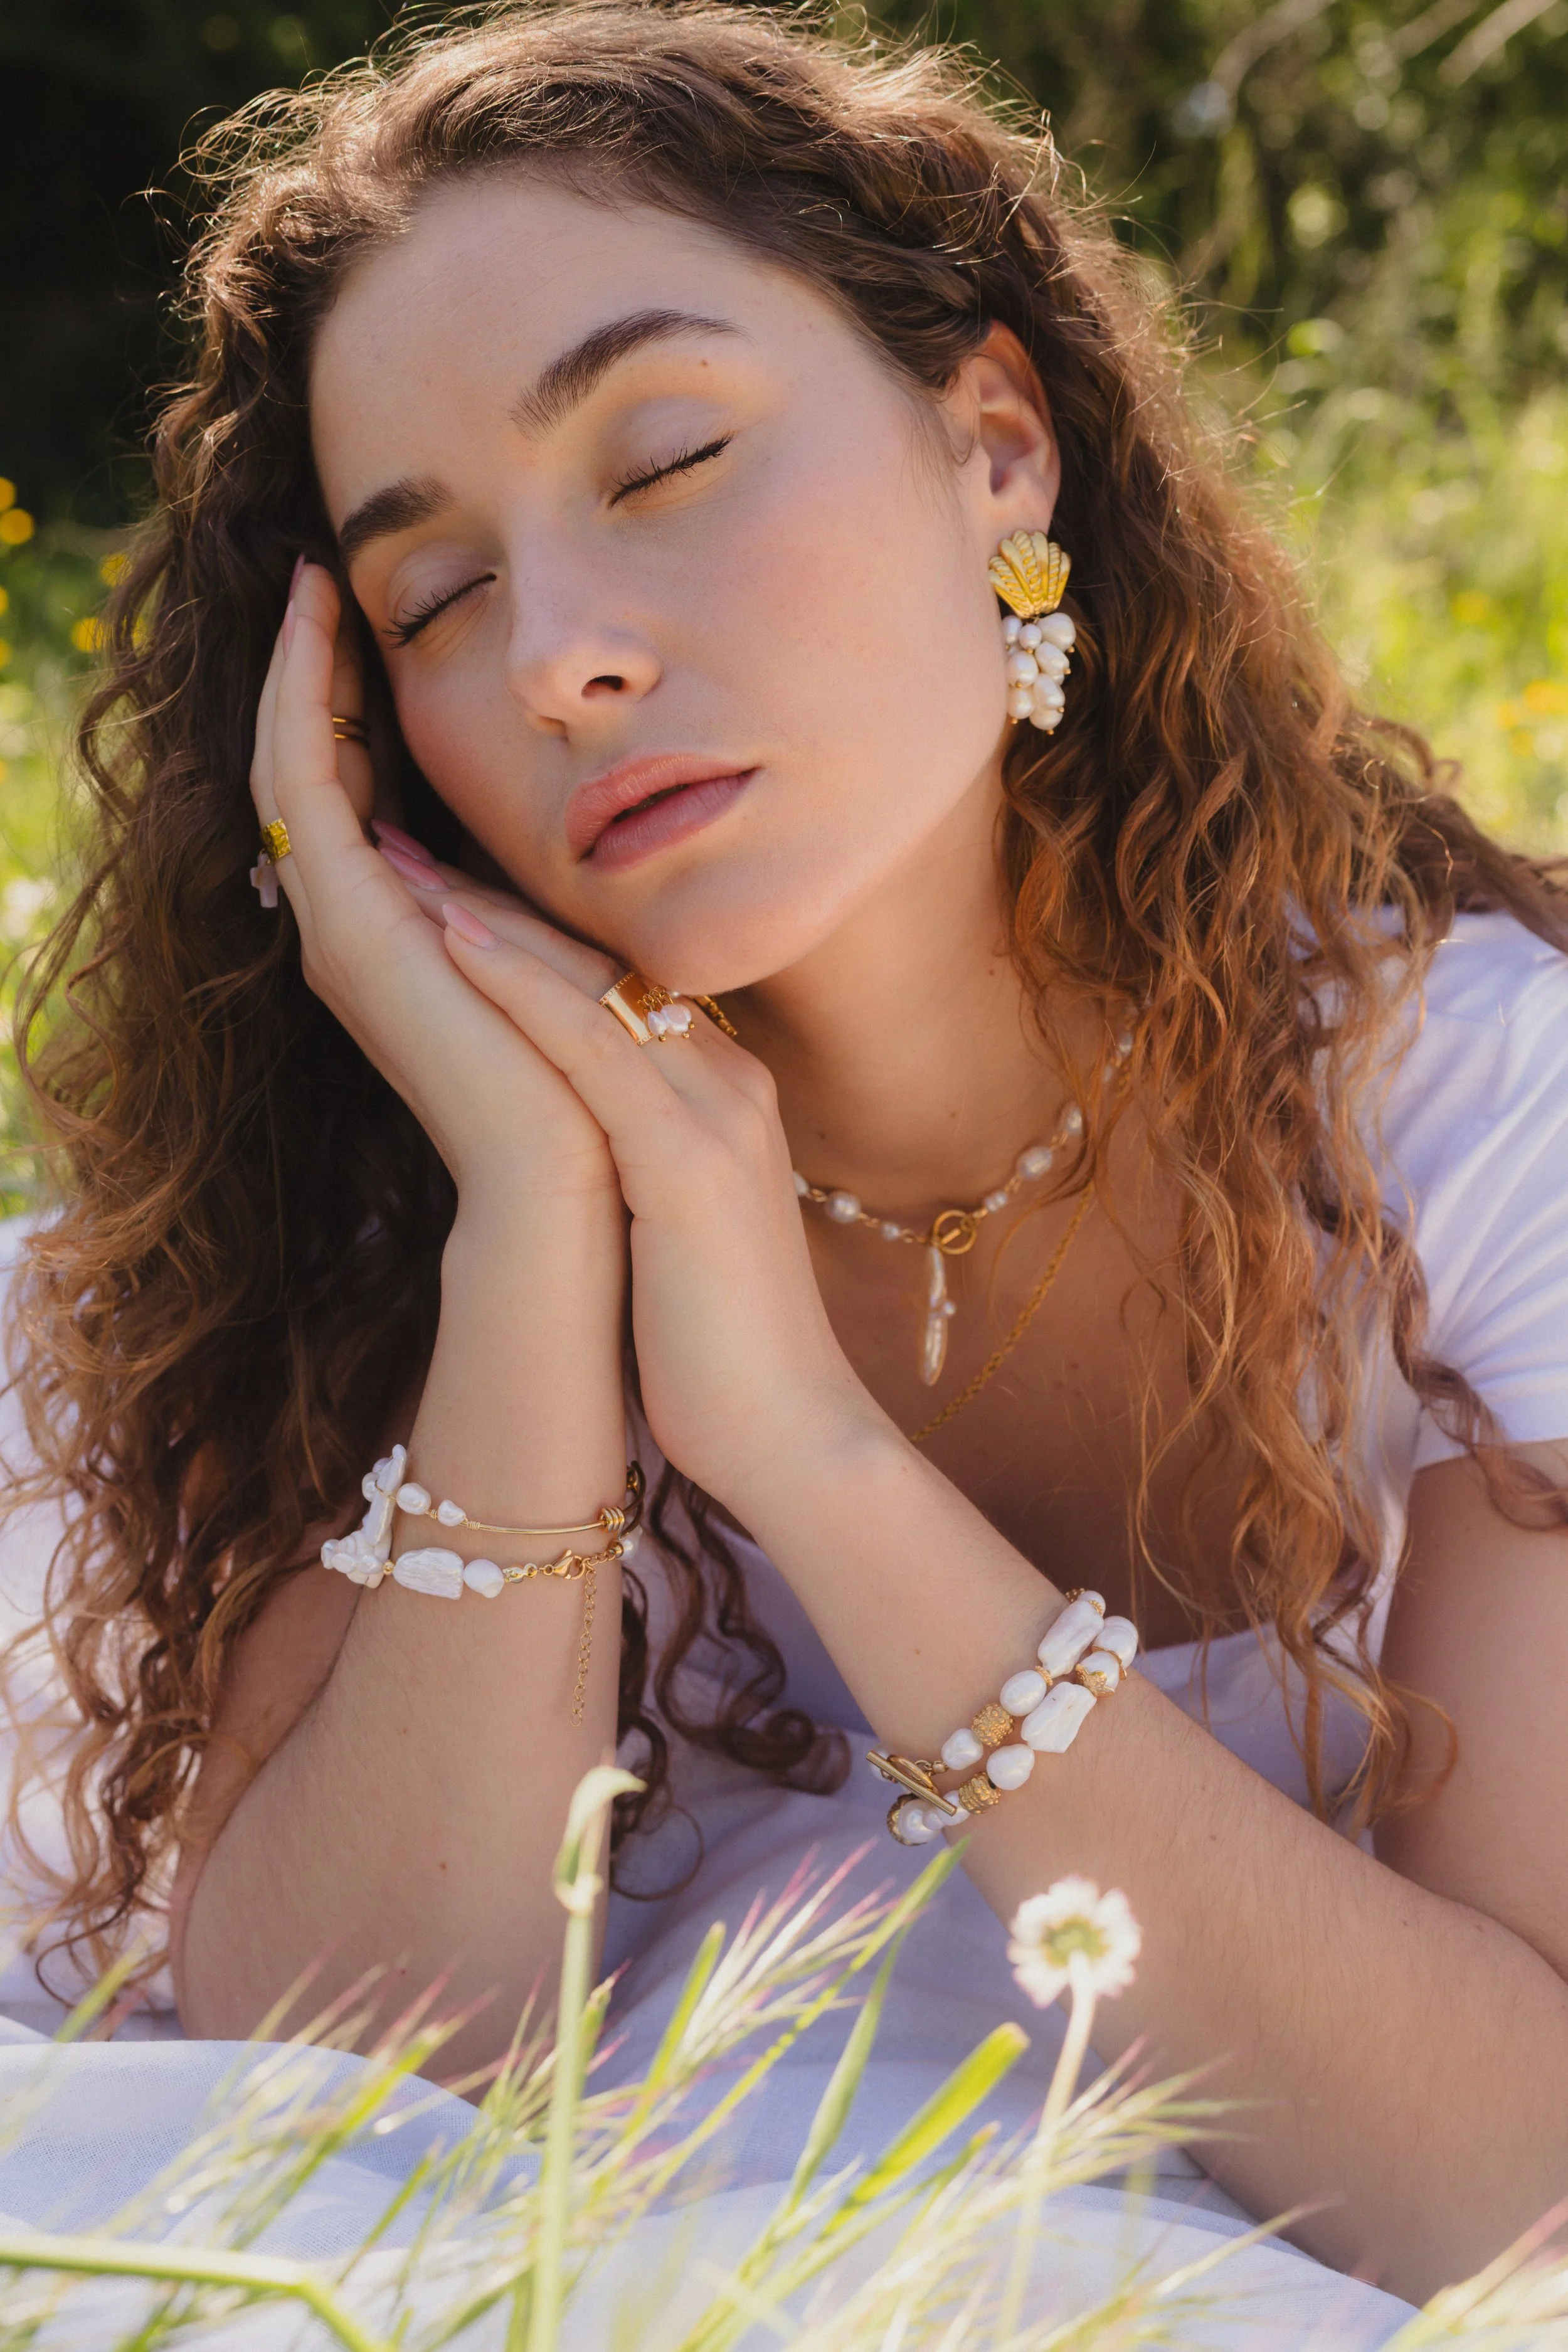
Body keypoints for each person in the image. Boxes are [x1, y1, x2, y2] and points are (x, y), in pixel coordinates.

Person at [4, 0, 1566, 2311]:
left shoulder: (1474, 1115)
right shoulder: (390, 1206)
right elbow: (324, 2106)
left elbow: (1515, 2194)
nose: (555, 659)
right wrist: (541, 1232)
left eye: (661, 462)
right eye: (432, 598)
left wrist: (804, 1451)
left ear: (997, 448)